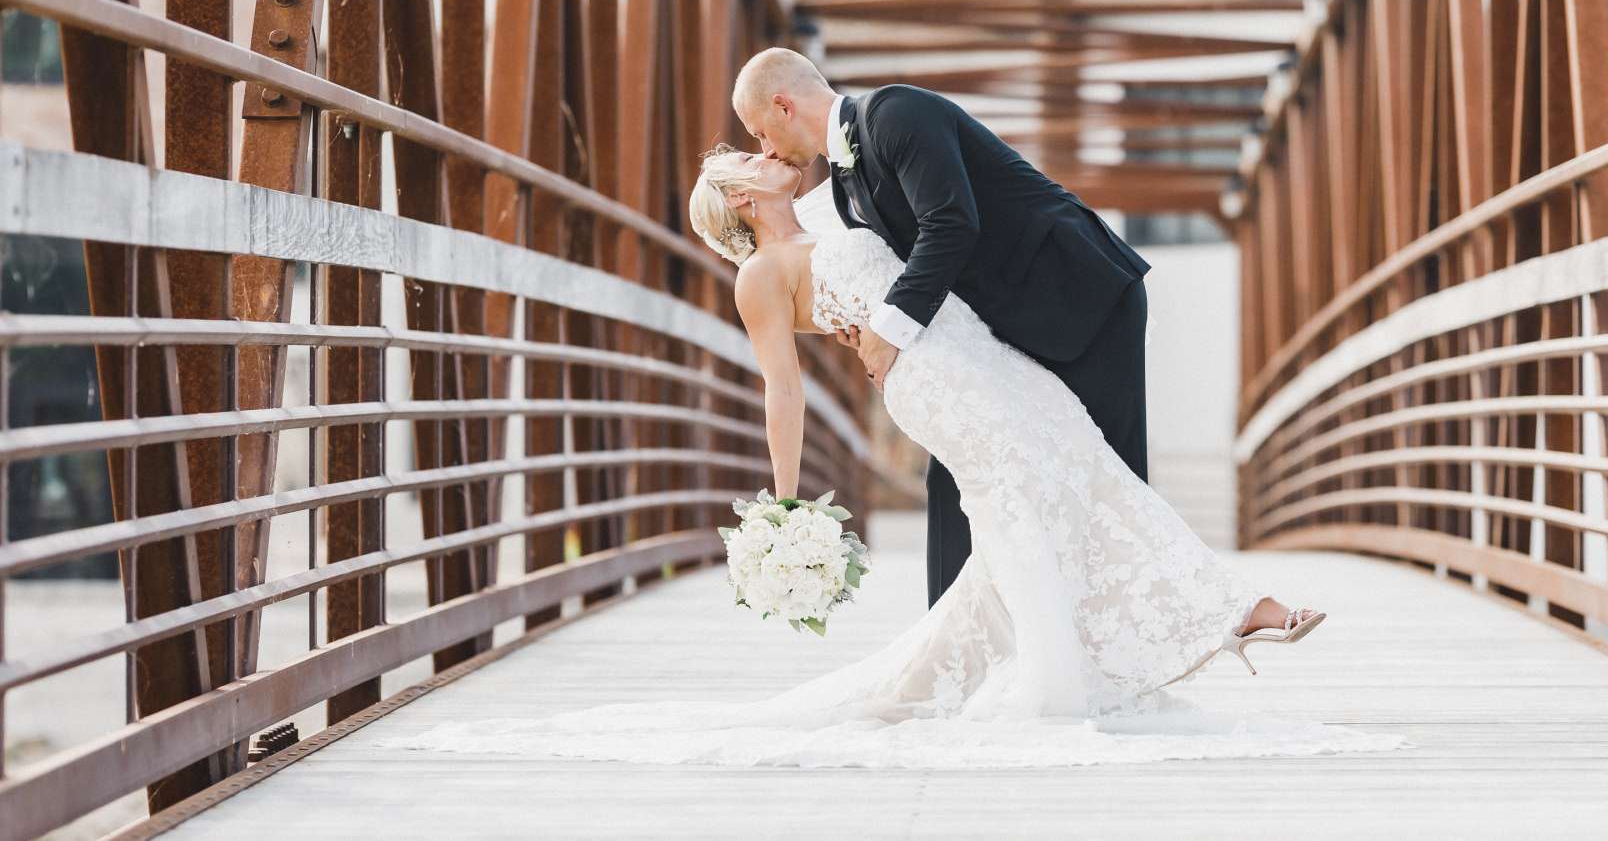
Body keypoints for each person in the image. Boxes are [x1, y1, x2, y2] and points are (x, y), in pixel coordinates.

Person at [394, 143, 1407, 769]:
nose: (760, 150)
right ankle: (1223, 615)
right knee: (1045, 498)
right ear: (739, 199)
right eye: (743, 156)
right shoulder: (761, 280)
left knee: (1070, 487)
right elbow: (781, 390)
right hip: (940, 390)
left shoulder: (841, 213)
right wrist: (784, 507)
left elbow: (943, 246)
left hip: (993, 364)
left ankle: (986, 677)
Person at [731, 47, 1155, 608]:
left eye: (761, 133)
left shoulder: (896, 113)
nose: (765, 149)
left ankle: (1133, 634)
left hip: (1079, 294)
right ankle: (958, 648)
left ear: (783, 106)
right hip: (998, 331)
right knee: (954, 479)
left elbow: (950, 223)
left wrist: (888, 329)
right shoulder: (841, 183)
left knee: (1107, 471)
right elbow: (872, 262)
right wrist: (855, 319)